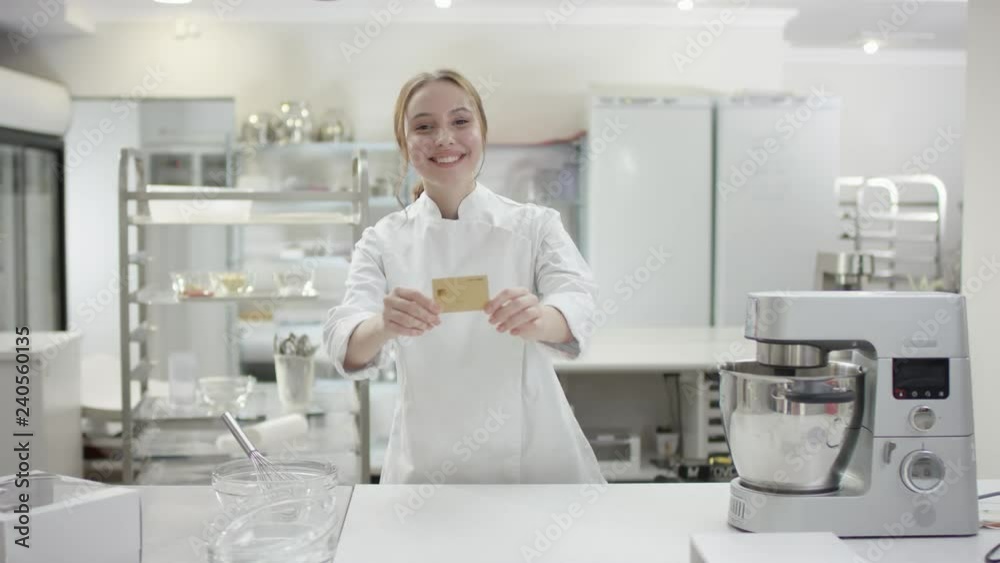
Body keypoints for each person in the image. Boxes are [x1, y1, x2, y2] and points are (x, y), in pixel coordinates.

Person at [323, 69, 604, 485]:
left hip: (533, 460)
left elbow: (579, 300)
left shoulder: (534, 225)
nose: (444, 138)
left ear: (481, 132)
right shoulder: (382, 241)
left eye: (459, 121)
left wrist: (540, 318)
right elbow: (343, 342)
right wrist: (384, 325)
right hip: (428, 463)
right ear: (405, 144)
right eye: (424, 127)